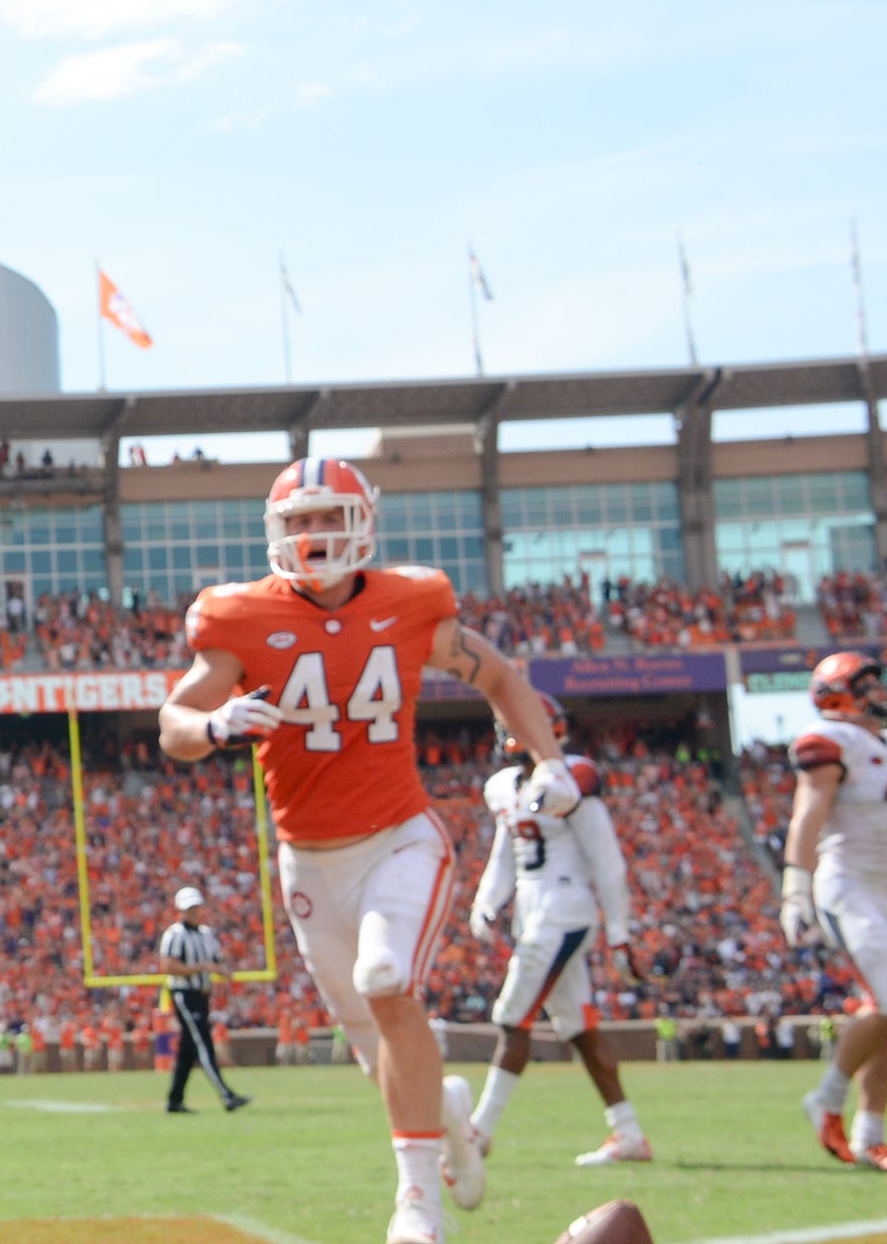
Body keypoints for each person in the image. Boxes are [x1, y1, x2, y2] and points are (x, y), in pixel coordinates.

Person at [159, 458, 577, 1244]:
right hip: (308, 863)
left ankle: (418, 1204)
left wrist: (548, 760)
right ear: (277, 533)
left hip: (399, 839)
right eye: (301, 521)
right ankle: (447, 1114)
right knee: (375, 1051)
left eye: (328, 517)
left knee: (386, 980)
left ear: (362, 522)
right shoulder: (238, 617)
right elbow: (174, 720)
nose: (315, 536)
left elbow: (501, 677)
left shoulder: (412, 601)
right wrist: (215, 727)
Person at [464, 692, 649, 1166]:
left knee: (511, 1018)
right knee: (580, 1031)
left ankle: (478, 1133)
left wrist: (620, 933)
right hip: (534, 910)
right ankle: (628, 1134)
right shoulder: (503, 786)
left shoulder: (572, 778)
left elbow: (607, 864)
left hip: (563, 911)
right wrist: (487, 902)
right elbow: (506, 854)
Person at [781, 653, 887, 1173]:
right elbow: (808, 813)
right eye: (865, 684)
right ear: (837, 693)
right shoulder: (828, 740)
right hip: (852, 883)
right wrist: (794, 888)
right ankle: (826, 1098)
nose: (879, 690)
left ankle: (871, 1138)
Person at [159, 887, 250, 1114]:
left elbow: (217, 962)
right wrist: (201, 967)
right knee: (203, 1044)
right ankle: (226, 1095)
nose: (194, 912)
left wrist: (223, 970)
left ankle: (174, 1101)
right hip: (184, 995)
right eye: (190, 908)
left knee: (187, 1052)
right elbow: (168, 966)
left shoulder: (206, 934)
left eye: (196, 907)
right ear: (181, 910)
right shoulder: (175, 934)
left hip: (202, 995)